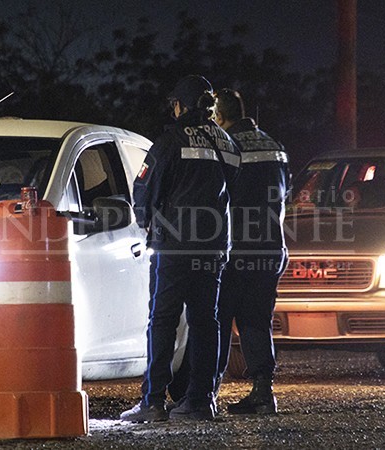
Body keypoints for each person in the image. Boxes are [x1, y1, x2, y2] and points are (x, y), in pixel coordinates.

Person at [120, 75, 241, 422]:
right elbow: (233, 192)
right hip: (214, 247)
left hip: (174, 246)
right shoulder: (227, 143)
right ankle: (201, 401)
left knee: (163, 320)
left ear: (182, 105)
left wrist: (147, 221)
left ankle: (153, 402)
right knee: (206, 322)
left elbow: (144, 189)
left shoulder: (171, 140)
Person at [211, 88, 291, 414]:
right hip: (272, 246)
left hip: (235, 248)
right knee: (256, 320)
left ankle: (206, 394)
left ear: (219, 116)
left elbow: (218, 195)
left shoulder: (226, 146)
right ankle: (262, 390)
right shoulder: (274, 145)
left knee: (219, 319)